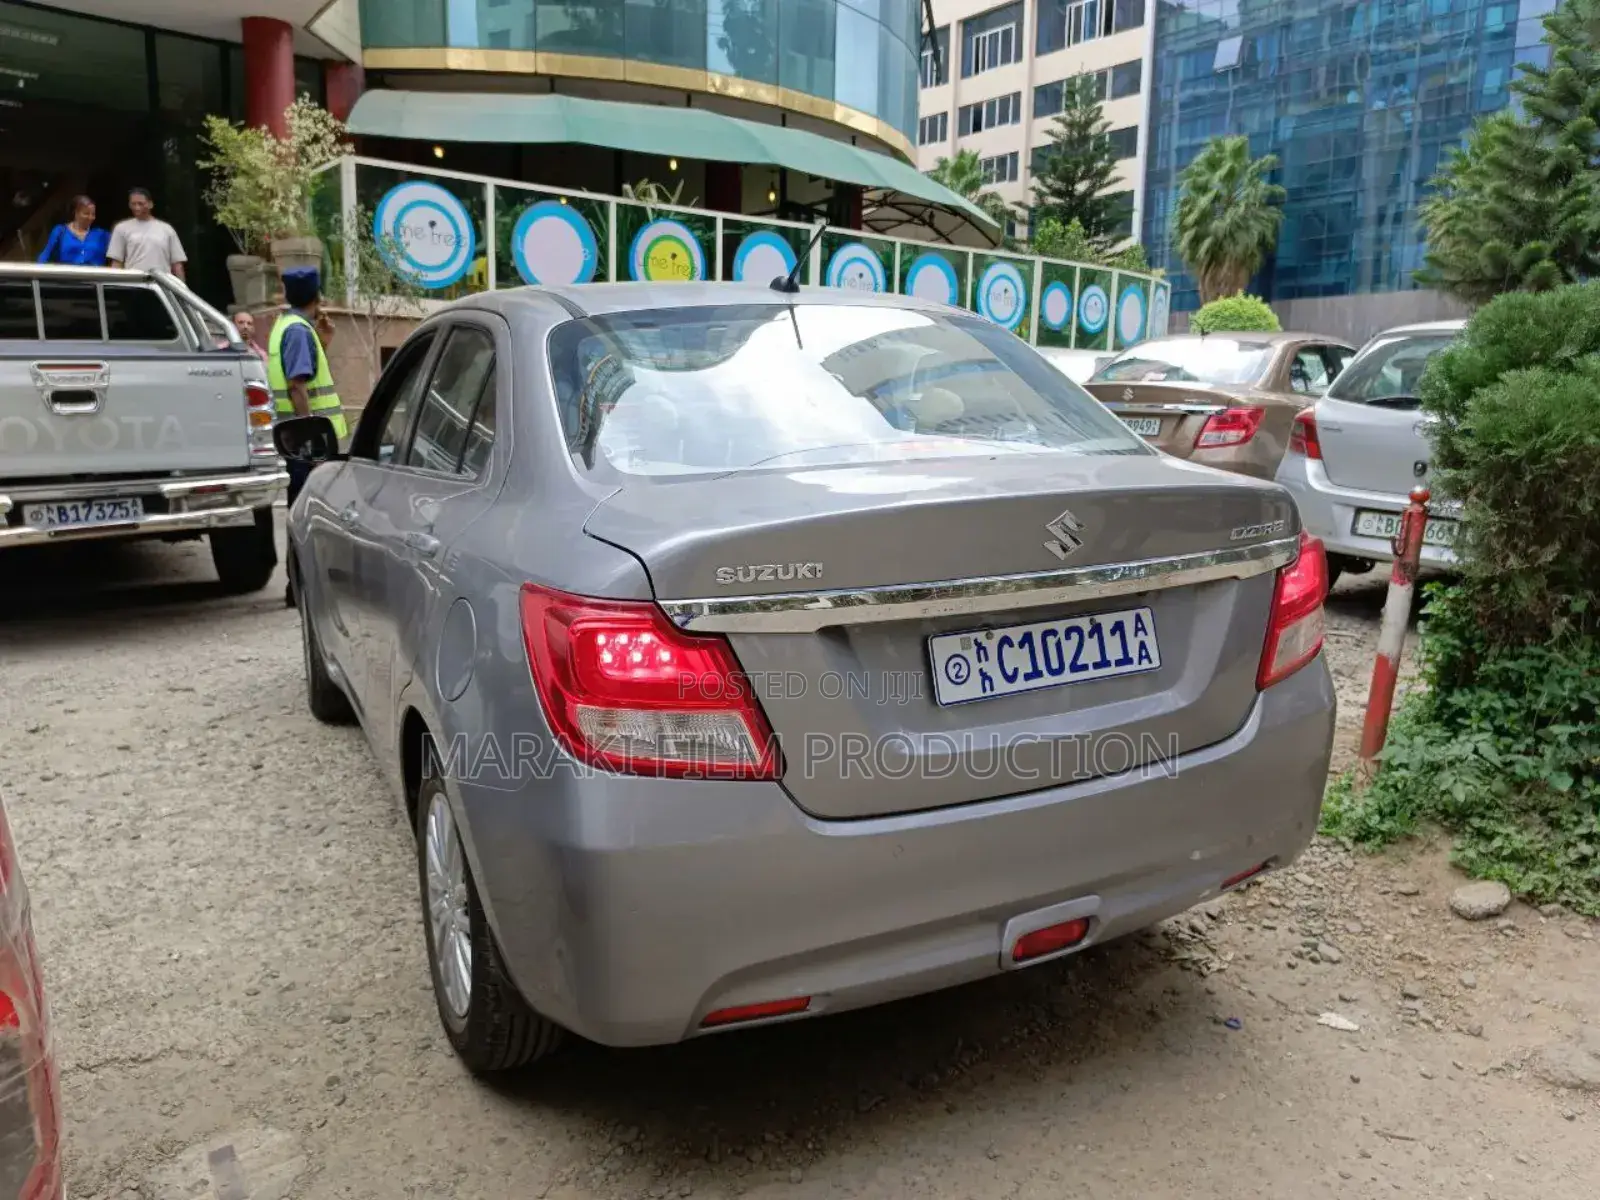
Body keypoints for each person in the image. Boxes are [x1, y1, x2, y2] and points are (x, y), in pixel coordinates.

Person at [269, 266, 345, 607]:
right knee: (307, 515)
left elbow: (305, 378)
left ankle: (299, 586)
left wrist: (324, 341)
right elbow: (297, 385)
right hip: (306, 443)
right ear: (318, 297)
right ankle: (300, 588)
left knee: (301, 511)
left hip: (296, 441)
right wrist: (310, 432)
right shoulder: (298, 331)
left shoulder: (287, 326)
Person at [107, 187, 187, 280]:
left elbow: (177, 264)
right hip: (134, 283)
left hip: (162, 284)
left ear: (150, 204)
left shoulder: (167, 229)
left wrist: (181, 287)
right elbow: (117, 262)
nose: (137, 207)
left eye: (141, 204)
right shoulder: (121, 228)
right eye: (133, 204)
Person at [37, 195, 109, 266]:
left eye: (93, 214)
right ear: (76, 213)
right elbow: (45, 256)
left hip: (95, 277)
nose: (90, 217)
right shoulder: (60, 232)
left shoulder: (102, 235)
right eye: (86, 214)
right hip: (67, 276)